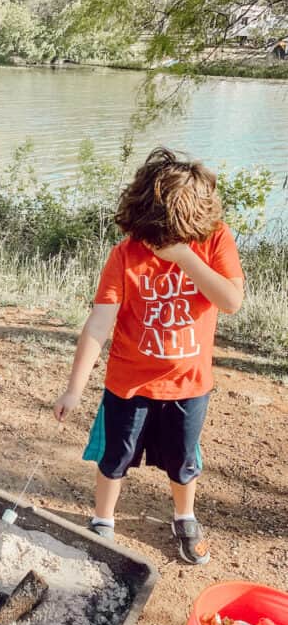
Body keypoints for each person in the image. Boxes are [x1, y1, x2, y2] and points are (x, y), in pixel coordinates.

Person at [54, 147, 244, 564]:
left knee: (183, 459)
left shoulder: (215, 240)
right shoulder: (125, 254)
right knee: (115, 457)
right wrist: (73, 390)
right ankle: (103, 520)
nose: (160, 242)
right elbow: (98, 325)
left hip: (189, 385)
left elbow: (230, 300)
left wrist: (184, 256)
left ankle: (184, 516)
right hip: (129, 384)